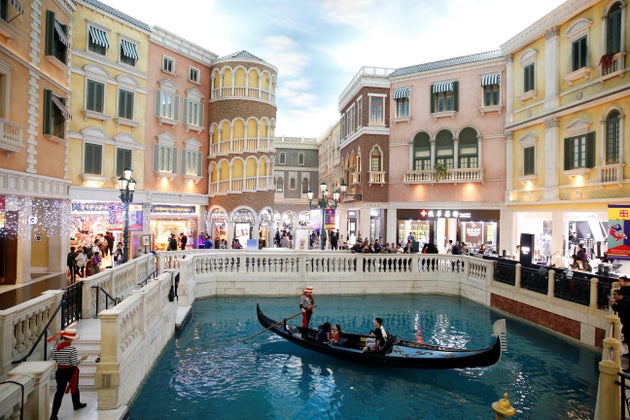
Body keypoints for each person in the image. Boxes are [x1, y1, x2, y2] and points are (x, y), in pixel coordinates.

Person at [49, 328, 88, 419]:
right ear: (70, 339)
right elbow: (74, 363)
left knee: (59, 393)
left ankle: (54, 415)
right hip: (70, 371)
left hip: (60, 372)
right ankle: (76, 404)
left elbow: (55, 357)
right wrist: (82, 358)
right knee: (75, 387)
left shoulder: (55, 348)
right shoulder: (72, 349)